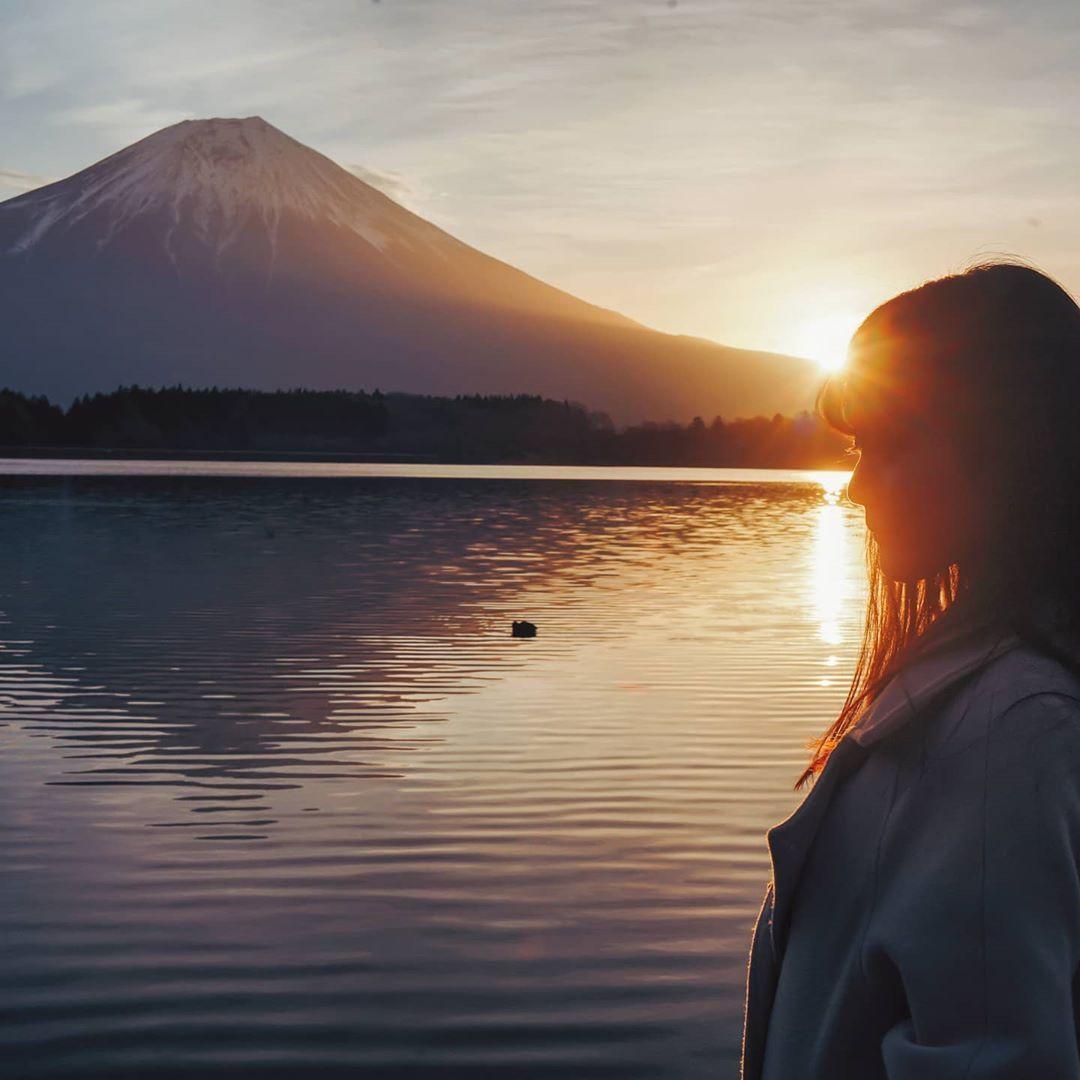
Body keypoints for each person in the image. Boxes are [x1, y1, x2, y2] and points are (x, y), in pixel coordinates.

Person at [740, 260, 1080, 1079]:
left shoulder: (1008, 732)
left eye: (888, 448)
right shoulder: (987, 699)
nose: (854, 489)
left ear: (1004, 450)